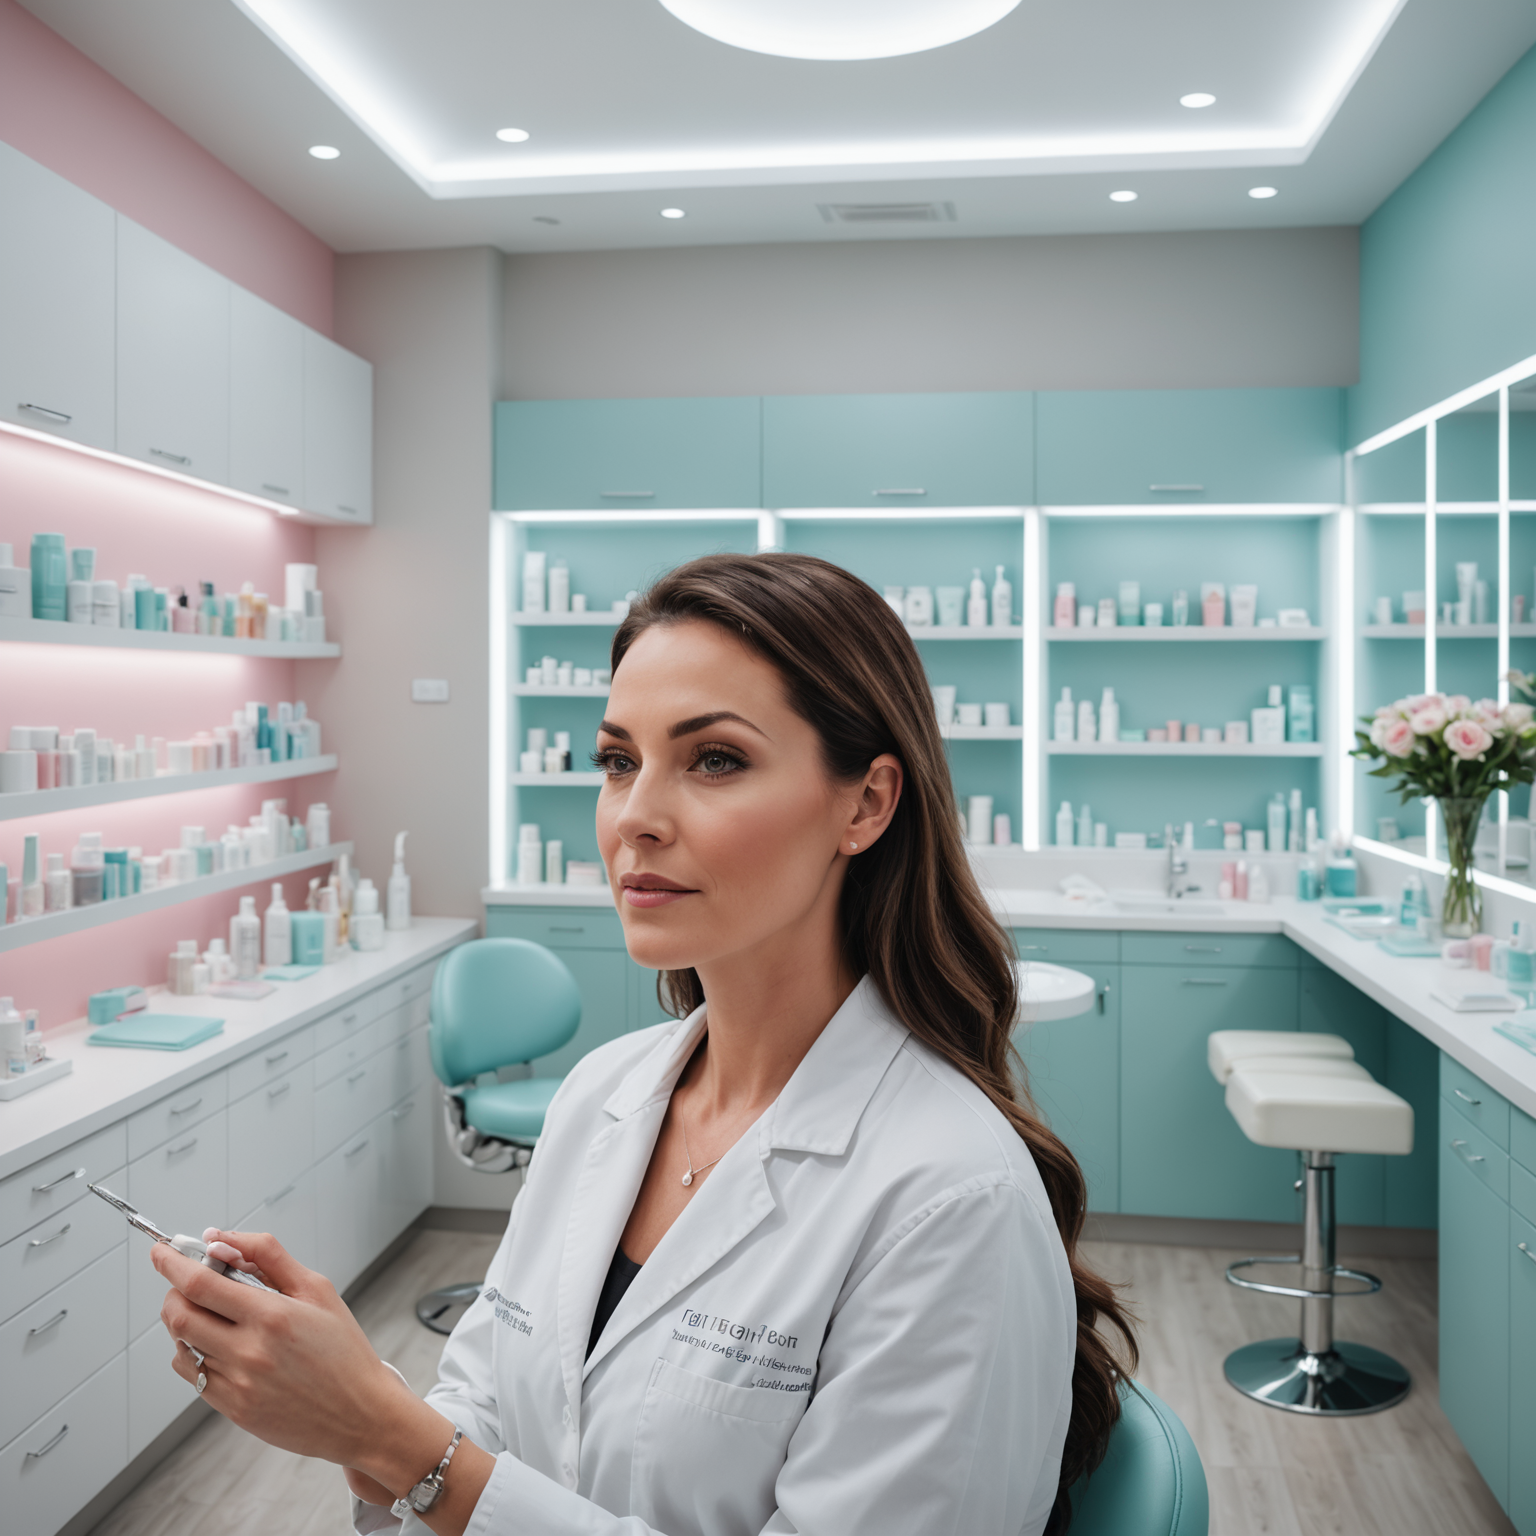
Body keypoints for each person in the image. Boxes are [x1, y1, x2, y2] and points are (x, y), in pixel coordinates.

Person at [153, 552, 1137, 1535]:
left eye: (715, 759)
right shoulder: (604, 1094)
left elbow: (447, 1466)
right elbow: (484, 1399)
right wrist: (353, 1411)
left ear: (866, 804)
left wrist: (402, 1447)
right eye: (619, 760)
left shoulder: (951, 1201)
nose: (635, 819)